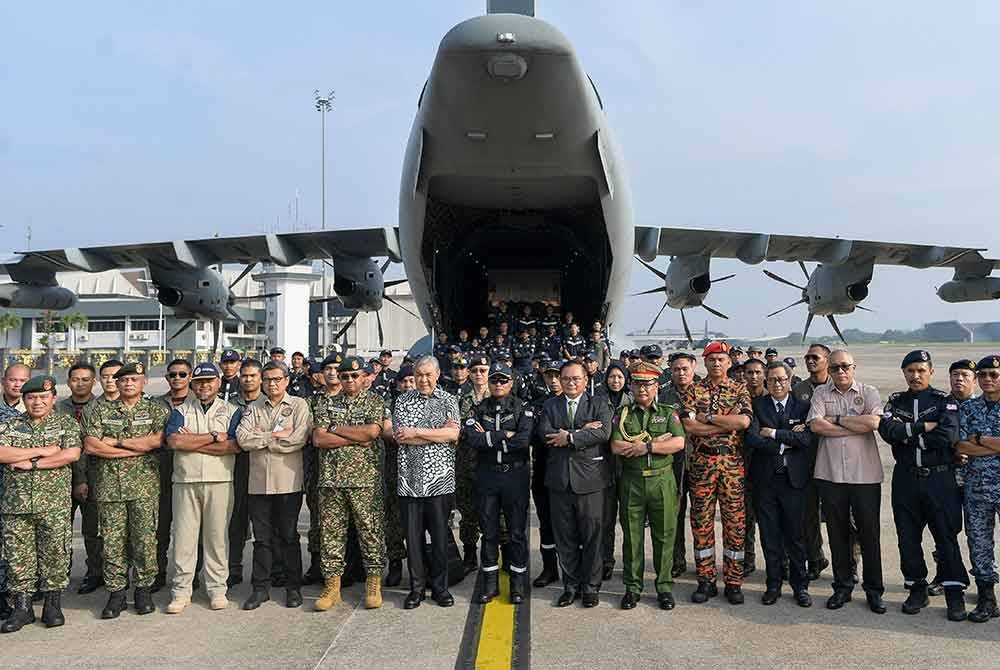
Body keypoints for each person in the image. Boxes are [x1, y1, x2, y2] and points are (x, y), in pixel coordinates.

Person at [877, 350, 967, 620]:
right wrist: (921, 427)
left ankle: (954, 593)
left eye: (920, 370)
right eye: (910, 371)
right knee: (908, 538)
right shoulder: (896, 401)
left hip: (940, 479)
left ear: (930, 372)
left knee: (946, 536)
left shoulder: (944, 401)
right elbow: (887, 432)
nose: (915, 375)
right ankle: (917, 588)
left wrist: (906, 434)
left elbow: (947, 435)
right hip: (905, 478)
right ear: (904, 373)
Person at [83, 362, 170, 619]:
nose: (128, 383)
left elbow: (157, 441)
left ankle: (143, 590)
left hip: (144, 487)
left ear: (144, 382)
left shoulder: (156, 408)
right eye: (123, 380)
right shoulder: (97, 409)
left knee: (144, 540)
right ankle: (117, 593)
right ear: (117, 384)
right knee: (112, 542)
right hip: (109, 488)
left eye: (134, 379)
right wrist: (137, 447)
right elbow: (92, 446)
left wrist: (118, 443)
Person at [0, 375, 81, 633]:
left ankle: (52, 605)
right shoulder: (10, 425)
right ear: (24, 400)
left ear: (53, 398)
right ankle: (22, 608)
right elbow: (2, 453)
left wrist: (30, 463)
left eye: (43, 397)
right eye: (32, 397)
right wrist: (46, 450)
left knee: (55, 553)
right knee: (17, 557)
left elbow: (70, 454)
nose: (37, 402)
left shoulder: (65, 423)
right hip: (16, 504)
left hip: (54, 504)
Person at [808, 349, 886, 614]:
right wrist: (854, 425)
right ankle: (842, 587)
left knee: (869, 534)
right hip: (830, 475)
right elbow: (816, 426)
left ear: (854, 367)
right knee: (837, 534)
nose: (840, 372)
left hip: (865, 476)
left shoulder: (869, 392)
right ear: (828, 370)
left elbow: (874, 422)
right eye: (834, 368)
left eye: (845, 367)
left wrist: (838, 420)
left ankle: (874, 590)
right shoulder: (820, 393)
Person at [163, 363, 242, 613]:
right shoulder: (181, 410)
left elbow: (232, 446)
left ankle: (217, 589)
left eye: (209, 381)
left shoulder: (232, 410)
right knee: (184, 539)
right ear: (192, 385)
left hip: (220, 480)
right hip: (185, 481)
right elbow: (175, 441)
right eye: (199, 382)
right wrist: (213, 436)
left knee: (217, 539)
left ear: (218, 383)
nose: (204, 386)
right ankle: (181, 591)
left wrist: (193, 441)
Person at [310, 356, 387, 611]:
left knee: (370, 532)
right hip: (331, 480)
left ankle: (373, 583)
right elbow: (320, 439)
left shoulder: (375, 401)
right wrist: (356, 437)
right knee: (330, 533)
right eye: (344, 376)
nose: (349, 380)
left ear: (364, 377)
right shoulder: (326, 403)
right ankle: (332, 586)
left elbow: (372, 433)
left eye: (355, 376)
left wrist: (336, 429)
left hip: (365, 480)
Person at [681, 341, 752, 605]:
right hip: (702, 464)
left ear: (729, 362)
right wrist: (725, 426)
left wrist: (708, 418)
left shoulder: (739, 388)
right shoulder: (693, 390)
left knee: (735, 524)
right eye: (711, 359)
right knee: (701, 522)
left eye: (721, 359)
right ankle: (706, 580)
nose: (717, 364)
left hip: (732, 465)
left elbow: (743, 422)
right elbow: (689, 426)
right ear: (704, 362)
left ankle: (733, 582)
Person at [536, 360, 613, 608]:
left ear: (585, 381)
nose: (570, 383)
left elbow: (603, 433)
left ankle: (590, 587)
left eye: (576, 379)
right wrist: (582, 430)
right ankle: (570, 586)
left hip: (590, 480)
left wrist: (569, 435)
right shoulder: (550, 404)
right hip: (559, 481)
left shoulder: (598, 403)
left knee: (592, 536)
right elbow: (545, 434)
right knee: (565, 537)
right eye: (566, 378)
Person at [610, 361, 686, 611]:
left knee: (665, 536)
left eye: (648, 384)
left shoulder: (668, 411)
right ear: (631, 386)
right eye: (638, 383)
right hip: (632, 481)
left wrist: (647, 447)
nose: (643, 389)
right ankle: (633, 588)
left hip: (662, 480)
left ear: (657, 386)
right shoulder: (623, 414)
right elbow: (616, 446)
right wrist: (656, 441)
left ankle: (664, 586)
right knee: (632, 538)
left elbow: (678, 443)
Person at [236, 361, 311, 610]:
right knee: (261, 540)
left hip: (287, 482)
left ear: (287, 380)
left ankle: (293, 588)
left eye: (277, 379)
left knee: (289, 537)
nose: (272, 384)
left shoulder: (299, 405)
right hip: (258, 484)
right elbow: (243, 438)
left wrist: (262, 438)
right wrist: (274, 437)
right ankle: (260, 588)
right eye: (267, 379)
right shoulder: (253, 407)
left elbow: (298, 438)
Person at [462, 361, 535, 604]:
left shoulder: (521, 408)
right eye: (494, 380)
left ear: (511, 383)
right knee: (489, 532)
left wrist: (490, 438)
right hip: (487, 475)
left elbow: (523, 441)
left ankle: (517, 585)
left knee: (516, 532)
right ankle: (490, 585)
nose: (498, 384)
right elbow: (473, 439)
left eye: (503, 380)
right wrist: (505, 435)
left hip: (515, 476)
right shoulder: (478, 407)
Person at [745, 361, 816, 607]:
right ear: (766, 381)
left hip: (793, 481)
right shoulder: (757, 406)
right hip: (765, 481)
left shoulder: (804, 406)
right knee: (770, 535)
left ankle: (800, 586)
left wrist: (774, 434)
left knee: (796, 537)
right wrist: (789, 439)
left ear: (790, 381)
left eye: (782, 379)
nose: (777, 384)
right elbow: (754, 439)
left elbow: (806, 439)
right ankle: (773, 584)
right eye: (772, 380)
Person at [392, 356, 461, 609]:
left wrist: (417, 432)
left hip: (439, 481)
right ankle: (416, 589)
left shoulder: (448, 400)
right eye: (419, 374)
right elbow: (401, 437)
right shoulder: (402, 401)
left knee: (441, 536)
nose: (423, 380)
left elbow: (453, 434)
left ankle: (440, 588)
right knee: (414, 537)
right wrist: (436, 434)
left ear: (438, 374)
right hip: (409, 482)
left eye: (428, 375)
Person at [956, 355, 1000, 623]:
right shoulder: (969, 408)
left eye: (993, 374)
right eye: (982, 375)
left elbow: (972, 443)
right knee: (979, 544)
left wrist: (981, 440)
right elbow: (960, 446)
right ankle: (987, 598)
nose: (987, 379)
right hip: (977, 488)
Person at [55, 363, 104, 595]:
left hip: (94, 477)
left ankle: (95, 572)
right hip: (61, 477)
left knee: (92, 529)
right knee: (60, 529)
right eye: (76, 379)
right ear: (68, 382)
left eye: (86, 379)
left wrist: (83, 479)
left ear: (93, 382)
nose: (80, 383)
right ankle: (58, 573)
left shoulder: (101, 407)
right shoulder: (56, 409)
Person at [301, 352, 343, 587]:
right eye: (327, 368)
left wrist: (329, 433)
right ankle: (317, 565)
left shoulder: (351, 398)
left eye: (336, 368)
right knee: (317, 519)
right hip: (318, 468)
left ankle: (349, 567)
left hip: (348, 469)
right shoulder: (312, 401)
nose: (331, 372)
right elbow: (308, 433)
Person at [791, 343, 833, 580]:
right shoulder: (799, 389)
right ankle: (815, 559)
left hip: (833, 457)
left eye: (815, 357)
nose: (810, 360)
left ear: (826, 360)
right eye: (807, 357)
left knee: (842, 515)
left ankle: (850, 562)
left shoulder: (836, 384)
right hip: (806, 459)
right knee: (808, 515)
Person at [153, 358, 192, 592]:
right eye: (172, 375)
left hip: (188, 469)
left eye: (182, 374)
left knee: (188, 528)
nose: (177, 378)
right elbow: (153, 436)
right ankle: (157, 572)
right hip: (159, 469)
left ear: (189, 377)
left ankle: (190, 574)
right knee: (160, 527)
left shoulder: (198, 403)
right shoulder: (155, 404)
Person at [228, 358, 263, 587]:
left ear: (260, 378)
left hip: (263, 467)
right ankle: (234, 568)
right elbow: (228, 436)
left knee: (264, 524)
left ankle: (267, 571)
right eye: (244, 375)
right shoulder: (230, 404)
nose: (248, 379)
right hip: (236, 468)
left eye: (252, 375)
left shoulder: (269, 402)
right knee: (235, 522)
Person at [456, 354, 492, 575]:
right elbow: (455, 429)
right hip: (466, 464)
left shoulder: (499, 396)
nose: (479, 374)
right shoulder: (460, 399)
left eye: (483, 370)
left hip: (490, 465)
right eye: (475, 370)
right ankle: (470, 554)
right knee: (467, 513)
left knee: (492, 513)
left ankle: (492, 555)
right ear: (469, 373)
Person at [663, 353, 697, 578]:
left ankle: (705, 562)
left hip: (702, 461)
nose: (681, 373)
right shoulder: (664, 397)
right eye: (676, 369)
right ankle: (677, 560)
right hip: (673, 462)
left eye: (684, 368)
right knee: (673, 514)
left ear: (693, 368)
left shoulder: (704, 392)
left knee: (701, 515)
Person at [596, 361, 630, 582]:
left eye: (619, 377)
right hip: (604, 467)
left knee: (629, 520)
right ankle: (606, 561)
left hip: (628, 468)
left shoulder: (634, 401)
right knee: (606, 520)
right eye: (611, 377)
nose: (615, 381)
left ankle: (630, 564)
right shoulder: (597, 401)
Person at [381, 365, 415, 587]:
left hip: (420, 471)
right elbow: (387, 431)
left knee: (417, 521)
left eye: (412, 380)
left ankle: (418, 565)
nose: (408, 385)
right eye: (404, 381)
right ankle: (395, 563)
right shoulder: (388, 406)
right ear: (397, 384)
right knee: (393, 520)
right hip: (394, 470)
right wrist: (418, 436)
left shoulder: (427, 405)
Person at [531, 359, 563, 587]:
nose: (553, 381)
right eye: (548, 376)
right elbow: (538, 436)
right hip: (543, 472)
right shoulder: (536, 405)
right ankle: (550, 568)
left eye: (557, 375)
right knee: (546, 523)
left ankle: (574, 570)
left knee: (570, 523)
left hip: (568, 472)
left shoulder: (579, 404)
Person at [741, 357, 767, 577]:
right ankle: (747, 560)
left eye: (758, 372)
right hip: (743, 464)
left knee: (771, 518)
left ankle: (780, 563)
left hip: (768, 464)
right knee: (746, 518)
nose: (754, 376)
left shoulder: (774, 397)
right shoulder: (739, 398)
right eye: (749, 373)